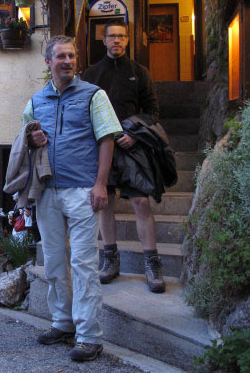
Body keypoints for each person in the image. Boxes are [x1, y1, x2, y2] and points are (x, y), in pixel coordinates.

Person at [23, 36, 121, 362]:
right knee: (52, 261)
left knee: (83, 264)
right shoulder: (36, 101)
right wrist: (32, 137)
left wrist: (101, 185)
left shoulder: (94, 95)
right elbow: (25, 139)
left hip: (82, 190)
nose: (67, 61)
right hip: (48, 191)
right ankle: (62, 323)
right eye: (61, 56)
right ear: (48, 62)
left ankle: (89, 337)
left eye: (72, 56)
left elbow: (107, 138)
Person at [83, 19, 165, 293]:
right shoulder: (91, 74)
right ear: (104, 41)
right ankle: (110, 258)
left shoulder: (140, 73)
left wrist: (135, 134)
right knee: (105, 203)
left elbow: (152, 112)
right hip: (102, 147)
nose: (116, 41)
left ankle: (152, 263)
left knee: (141, 202)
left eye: (121, 37)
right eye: (111, 37)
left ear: (127, 40)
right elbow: (85, 112)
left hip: (133, 146)